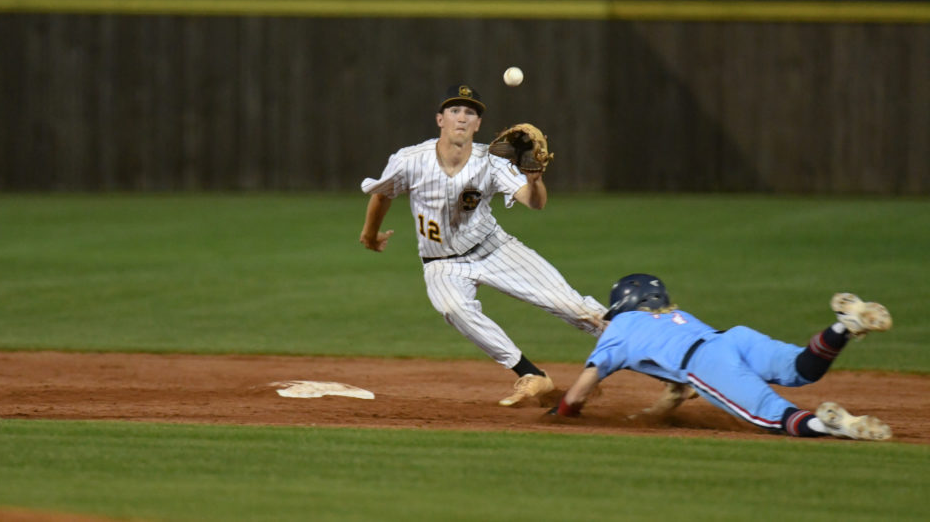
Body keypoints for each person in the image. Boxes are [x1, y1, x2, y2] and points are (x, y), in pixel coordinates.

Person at [359, 84, 608, 407]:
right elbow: (382, 193)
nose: (462, 118)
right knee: (453, 308)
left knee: (576, 309)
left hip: (494, 249)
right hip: (441, 263)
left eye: (471, 112)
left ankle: (661, 359)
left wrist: (535, 180)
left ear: (478, 125)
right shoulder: (410, 160)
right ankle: (532, 375)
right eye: (455, 110)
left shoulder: (490, 161)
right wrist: (370, 234)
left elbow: (534, 204)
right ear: (440, 119)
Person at [551, 273, 894, 440]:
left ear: (622, 304)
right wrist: (646, 418)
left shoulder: (620, 328)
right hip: (733, 338)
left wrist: (562, 413)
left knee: (773, 416)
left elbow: (584, 386)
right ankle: (843, 327)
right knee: (802, 368)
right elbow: (678, 391)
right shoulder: (675, 316)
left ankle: (839, 425)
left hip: (706, 363)